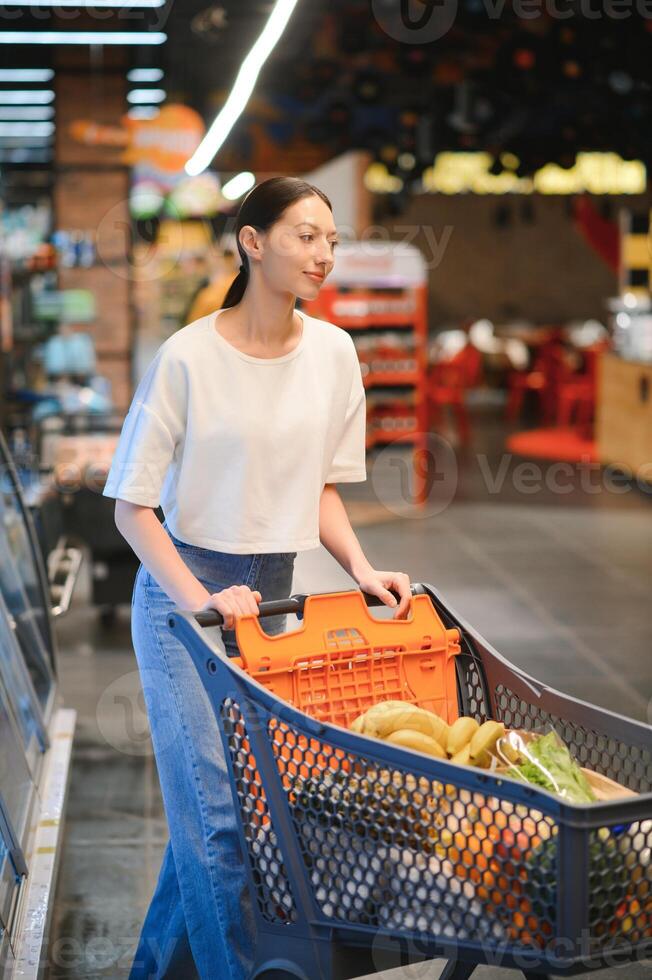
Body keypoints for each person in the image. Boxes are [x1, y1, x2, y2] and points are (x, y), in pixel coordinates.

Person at [103, 176, 412, 979]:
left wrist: (362, 566)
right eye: (306, 236)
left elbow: (321, 489)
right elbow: (132, 510)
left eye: (332, 241)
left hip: (271, 608)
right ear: (252, 241)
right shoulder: (187, 358)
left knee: (226, 815)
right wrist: (203, 601)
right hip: (183, 609)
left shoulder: (335, 354)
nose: (324, 255)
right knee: (222, 828)